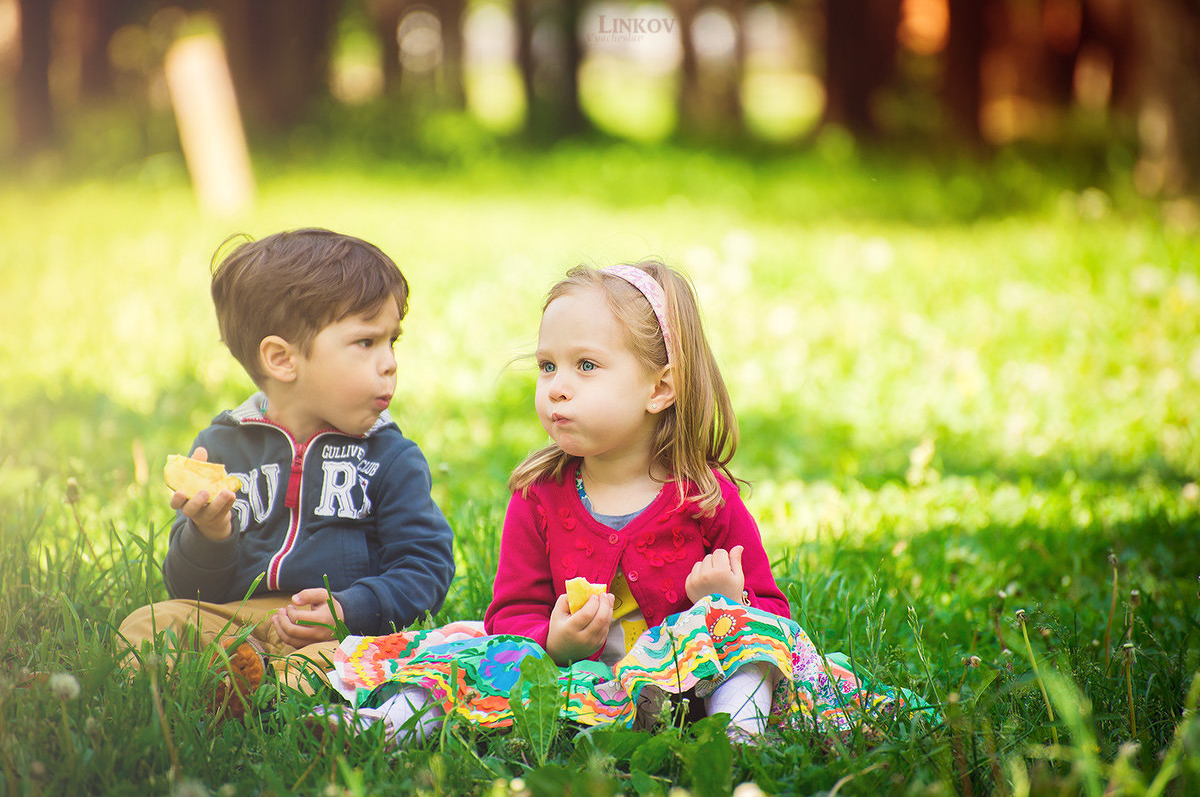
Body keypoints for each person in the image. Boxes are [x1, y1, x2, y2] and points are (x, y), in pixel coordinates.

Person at [319, 261, 925, 745]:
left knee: (746, 633)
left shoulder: (706, 498)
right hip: (570, 679)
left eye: (586, 366)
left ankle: (740, 734)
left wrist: (723, 602)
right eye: (548, 365)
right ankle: (386, 728)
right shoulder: (540, 497)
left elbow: (774, 613)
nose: (557, 386)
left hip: (680, 686)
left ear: (661, 388)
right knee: (467, 656)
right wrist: (554, 642)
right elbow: (511, 612)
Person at [117, 228, 456, 708]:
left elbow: (427, 567)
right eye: (366, 342)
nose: (389, 364)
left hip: (336, 631)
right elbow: (191, 588)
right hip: (237, 616)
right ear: (282, 359)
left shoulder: (389, 456)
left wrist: (350, 608)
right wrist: (209, 534)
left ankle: (255, 692)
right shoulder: (221, 447)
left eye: (392, 342)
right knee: (150, 622)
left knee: (331, 666)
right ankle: (216, 683)